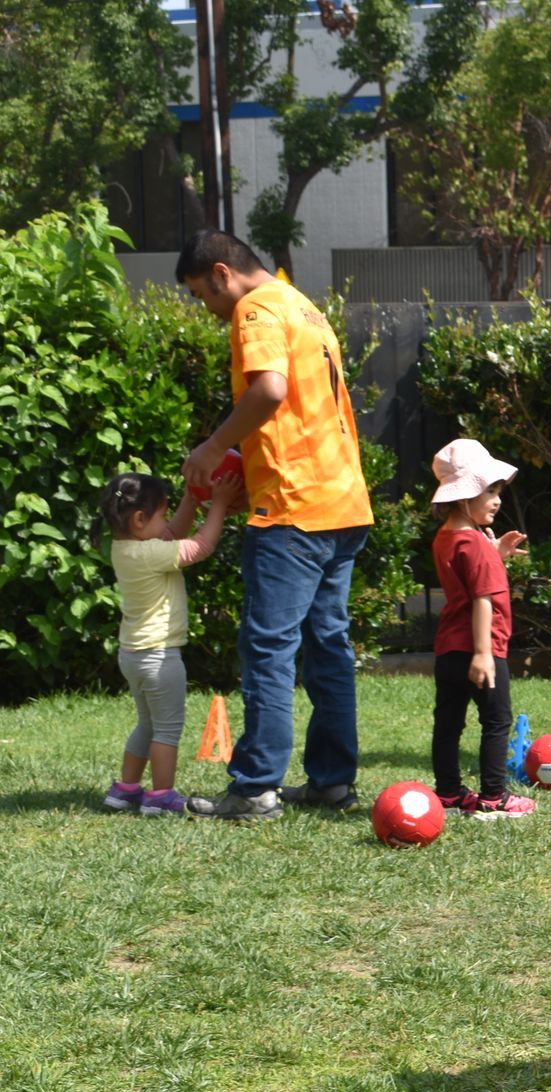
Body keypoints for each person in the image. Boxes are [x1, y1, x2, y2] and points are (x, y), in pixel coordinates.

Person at [175, 229, 374, 821]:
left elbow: (269, 389)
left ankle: (255, 786)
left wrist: (212, 448)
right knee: (329, 650)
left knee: (268, 648)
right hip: (342, 503)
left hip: (292, 510)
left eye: (199, 294)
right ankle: (332, 783)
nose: (205, 309)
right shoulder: (304, 307)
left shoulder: (255, 309)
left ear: (220, 274)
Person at [97, 469, 245, 816]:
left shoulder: (126, 548)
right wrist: (218, 505)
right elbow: (200, 545)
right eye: (161, 514)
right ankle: (161, 795)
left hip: (133, 655)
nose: (166, 522)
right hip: (159, 657)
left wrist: (191, 500)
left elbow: (172, 533)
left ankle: (125, 790)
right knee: (166, 729)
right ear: (138, 519)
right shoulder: (151, 554)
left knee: (146, 724)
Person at [428, 439, 535, 819]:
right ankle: (494, 798)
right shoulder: (474, 543)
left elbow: (468, 578)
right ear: (464, 496)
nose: (497, 499)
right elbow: (482, 599)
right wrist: (484, 654)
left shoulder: (448, 537)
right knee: (496, 721)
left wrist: (497, 554)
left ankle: (449, 793)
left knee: (449, 723)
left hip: (448, 650)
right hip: (482, 650)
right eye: (489, 490)